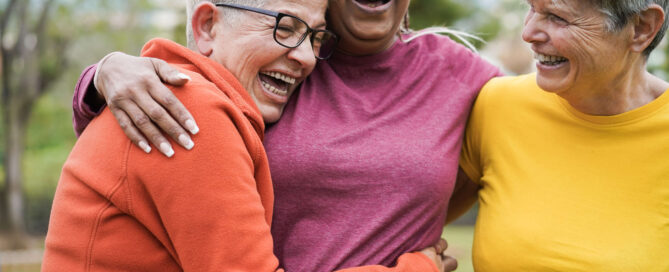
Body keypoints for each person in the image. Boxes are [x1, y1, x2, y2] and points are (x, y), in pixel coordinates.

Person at [71, 0, 499, 271]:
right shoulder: (184, 104)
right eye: (286, 27)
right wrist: (103, 73)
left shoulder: (462, 77)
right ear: (207, 25)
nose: (306, 55)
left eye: (313, 37)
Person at [453, 0, 669, 270]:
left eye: (557, 17)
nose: (528, 33)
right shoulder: (497, 104)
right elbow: (407, 221)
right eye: (531, 8)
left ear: (641, 28)